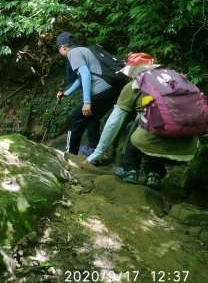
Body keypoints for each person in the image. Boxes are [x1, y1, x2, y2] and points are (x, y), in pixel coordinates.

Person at [83, 53, 199, 189]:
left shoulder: (135, 85)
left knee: (140, 129)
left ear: (132, 71)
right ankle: (154, 175)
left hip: (152, 141)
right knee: (159, 126)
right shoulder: (176, 80)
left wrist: (98, 153)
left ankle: (130, 171)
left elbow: (113, 123)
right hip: (187, 149)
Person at [55, 32, 120, 157]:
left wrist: (87, 102)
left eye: (59, 49)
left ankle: (70, 155)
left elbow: (85, 74)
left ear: (63, 47)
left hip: (100, 90)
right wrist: (67, 93)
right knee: (92, 117)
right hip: (112, 90)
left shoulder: (72, 53)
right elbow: (81, 77)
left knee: (74, 118)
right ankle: (93, 151)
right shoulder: (84, 50)